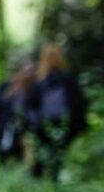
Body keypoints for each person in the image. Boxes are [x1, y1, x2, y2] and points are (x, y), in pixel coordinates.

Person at [27, 44, 88, 180]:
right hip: (62, 124)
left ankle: (43, 184)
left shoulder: (42, 82)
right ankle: (53, 183)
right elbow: (79, 103)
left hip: (47, 125)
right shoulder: (66, 79)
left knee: (44, 158)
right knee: (58, 157)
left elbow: (31, 106)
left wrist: (33, 125)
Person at [0, 63, 35, 166]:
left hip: (20, 132)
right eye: (25, 72)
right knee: (3, 157)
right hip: (4, 128)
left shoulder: (32, 90)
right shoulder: (4, 88)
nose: (27, 75)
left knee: (20, 159)